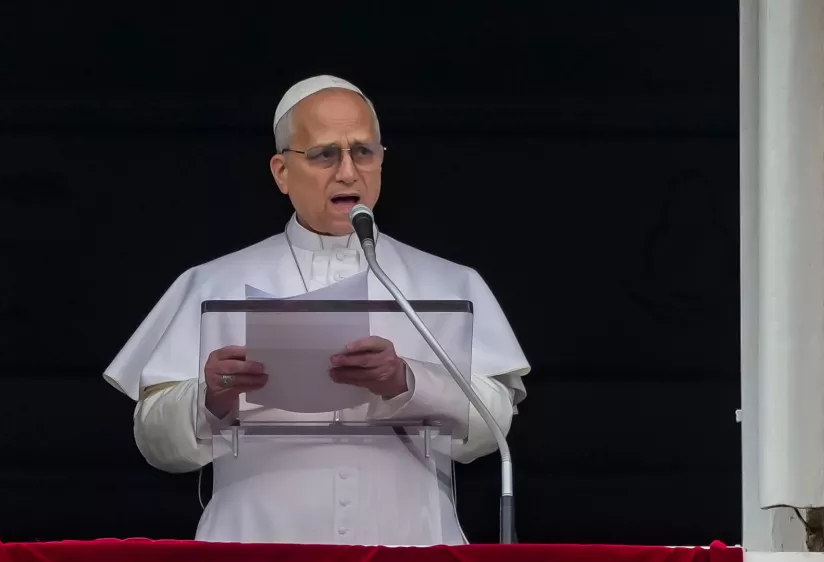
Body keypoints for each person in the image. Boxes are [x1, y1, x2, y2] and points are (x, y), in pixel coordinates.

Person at [104, 75, 530, 545]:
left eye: (363, 152)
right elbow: (155, 442)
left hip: (411, 541)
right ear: (281, 172)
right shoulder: (211, 283)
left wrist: (406, 381)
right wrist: (211, 397)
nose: (348, 172)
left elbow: (494, 429)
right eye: (325, 154)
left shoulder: (450, 282)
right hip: (254, 544)